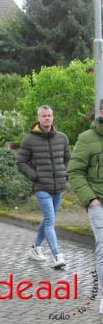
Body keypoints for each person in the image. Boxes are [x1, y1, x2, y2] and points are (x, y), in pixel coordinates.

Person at [17, 105, 70, 269]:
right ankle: (57, 256)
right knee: (49, 221)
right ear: (38, 118)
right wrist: (35, 176)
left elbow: (67, 158)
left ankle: (35, 248)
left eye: (49, 115)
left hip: (58, 187)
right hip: (41, 187)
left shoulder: (62, 138)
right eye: (44, 116)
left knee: (48, 219)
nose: (47, 118)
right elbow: (21, 162)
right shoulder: (29, 139)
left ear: (53, 117)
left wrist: (63, 173)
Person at [68, 100, 103, 315]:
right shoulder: (86, 138)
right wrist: (91, 200)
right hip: (99, 203)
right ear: (101, 112)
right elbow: (74, 172)